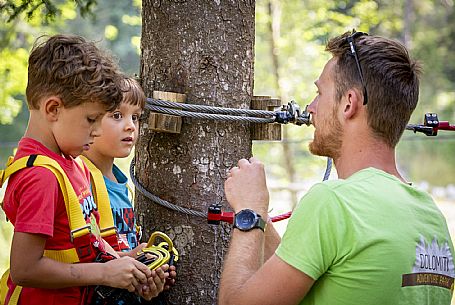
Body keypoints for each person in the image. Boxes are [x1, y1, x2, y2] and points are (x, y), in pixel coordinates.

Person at [219, 30, 455, 305]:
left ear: (349, 104)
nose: (310, 107)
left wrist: (249, 212)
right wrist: (264, 220)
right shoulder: (433, 220)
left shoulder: (332, 203)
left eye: (320, 93)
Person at [1, 35, 168, 305]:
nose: (98, 130)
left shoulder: (72, 163)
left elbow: (82, 248)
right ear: (53, 108)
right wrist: (104, 273)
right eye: (91, 119)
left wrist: (127, 262)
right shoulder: (41, 177)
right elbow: (25, 269)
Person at [81, 76, 177, 304]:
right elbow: (77, 259)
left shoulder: (121, 184)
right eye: (117, 115)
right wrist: (129, 258)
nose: (130, 126)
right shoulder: (80, 183)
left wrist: (150, 273)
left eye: (135, 117)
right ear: (90, 118)